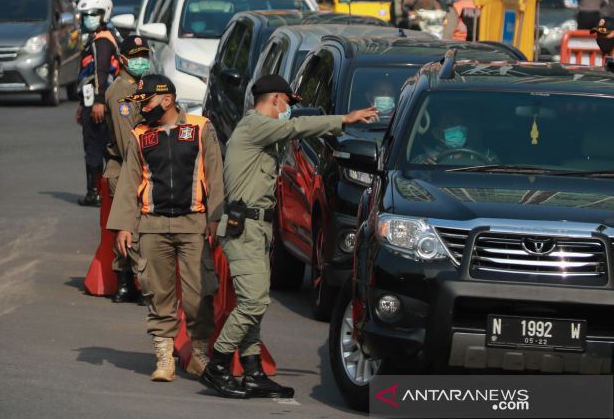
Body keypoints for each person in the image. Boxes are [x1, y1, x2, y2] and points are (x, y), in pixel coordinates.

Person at [202, 75, 377, 400]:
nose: (288, 111)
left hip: (258, 228)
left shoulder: (262, 131)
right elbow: (295, 128)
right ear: (275, 100)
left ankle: (252, 372)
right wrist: (344, 119)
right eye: (287, 104)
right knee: (254, 301)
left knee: (253, 304)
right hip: (244, 228)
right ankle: (218, 365)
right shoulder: (254, 125)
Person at [108, 75, 224, 383]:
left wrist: (215, 218)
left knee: (199, 293)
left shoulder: (200, 127)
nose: (142, 109)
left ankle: (199, 355)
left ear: (167, 100)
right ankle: (164, 358)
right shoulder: (139, 135)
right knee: (158, 292)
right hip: (153, 225)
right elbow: (130, 182)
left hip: (194, 223)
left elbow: (215, 174)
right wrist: (123, 227)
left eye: (146, 102)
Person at [102, 35, 153, 305]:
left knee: (127, 226)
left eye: (145, 55)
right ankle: (145, 285)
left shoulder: (136, 86)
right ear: (122, 60)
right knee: (133, 231)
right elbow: (125, 143)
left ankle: (124, 285)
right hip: (125, 169)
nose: (142, 61)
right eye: (136, 57)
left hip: (129, 169)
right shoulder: (122, 92)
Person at [75, 0, 119, 206]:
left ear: (104, 15)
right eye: (85, 15)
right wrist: (82, 104)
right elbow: (88, 76)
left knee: (95, 146)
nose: (87, 19)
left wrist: (98, 101)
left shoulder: (102, 41)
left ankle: (96, 193)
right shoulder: (100, 38)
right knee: (100, 147)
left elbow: (100, 72)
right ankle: (101, 191)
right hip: (92, 101)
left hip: (100, 104)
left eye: (92, 14)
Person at [408, 104, 497, 166]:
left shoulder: (487, 156)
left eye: (455, 124)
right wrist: (424, 169)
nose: (452, 127)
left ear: (464, 127)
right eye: (448, 125)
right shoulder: (423, 159)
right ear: (437, 133)